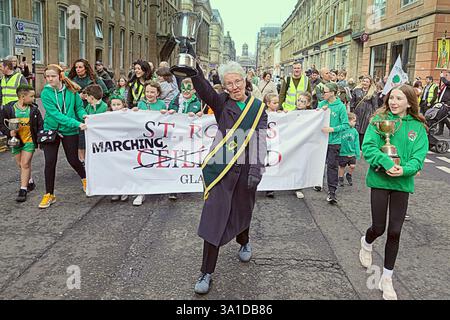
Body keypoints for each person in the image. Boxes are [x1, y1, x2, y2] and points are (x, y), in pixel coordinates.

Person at [190, 59, 267, 295]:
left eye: (237, 81)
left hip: (245, 170)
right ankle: (206, 271)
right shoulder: (222, 103)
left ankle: (243, 240)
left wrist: (256, 169)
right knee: (214, 218)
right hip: (221, 169)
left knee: (242, 211)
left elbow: (259, 139)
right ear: (223, 87)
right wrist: (194, 72)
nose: (234, 87)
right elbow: (204, 90)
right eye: (228, 84)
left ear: (245, 80)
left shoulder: (258, 108)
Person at [360, 84, 428, 300]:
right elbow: (368, 148)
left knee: (395, 231)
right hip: (380, 179)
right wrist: (387, 163)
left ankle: (387, 279)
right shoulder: (379, 121)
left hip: (402, 182)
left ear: (409, 102)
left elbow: (419, 156)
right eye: (391, 98)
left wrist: (405, 169)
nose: (394, 102)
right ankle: (366, 242)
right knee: (379, 228)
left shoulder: (417, 127)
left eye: (399, 98)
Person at [38, 64, 88, 209]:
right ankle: (49, 194)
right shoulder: (45, 93)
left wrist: (83, 115)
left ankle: (85, 179)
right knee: (50, 162)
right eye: (47, 76)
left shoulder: (71, 90)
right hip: (51, 129)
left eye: (52, 76)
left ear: (60, 76)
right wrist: (76, 123)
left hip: (69, 130)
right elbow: (55, 114)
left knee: (73, 159)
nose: (49, 79)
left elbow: (78, 107)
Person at [0, 85, 43, 202]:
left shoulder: (34, 110)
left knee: (25, 164)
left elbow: (40, 125)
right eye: (32, 96)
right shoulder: (8, 109)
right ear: (23, 97)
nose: (34, 98)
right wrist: (9, 132)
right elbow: (1, 124)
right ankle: (30, 181)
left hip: (29, 141)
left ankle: (23, 189)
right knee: (21, 164)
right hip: (17, 141)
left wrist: (40, 139)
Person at [317, 82, 350, 204]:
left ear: (332, 93)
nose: (322, 94)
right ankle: (317, 182)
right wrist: (320, 110)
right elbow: (314, 118)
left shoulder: (340, 106)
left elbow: (346, 125)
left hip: (334, 141)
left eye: (325, 92)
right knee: (319, 163)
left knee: (331, 165)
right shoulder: (322, 103)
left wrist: (332, 129)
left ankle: (332, 192)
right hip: (321, 140)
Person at [108, 95, 130, 203]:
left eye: (118, 104)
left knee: (124, 167)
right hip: (113, 146)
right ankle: (116, 190)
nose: (116, 107)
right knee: (114, 168)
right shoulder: (107, 116)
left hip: (124, 146)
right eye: (113, 105)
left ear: (123, 105)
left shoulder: (127, 114)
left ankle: (125, 189)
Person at [351, 75, 379, 147]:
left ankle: (362, 146)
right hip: (358, 112)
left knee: (364, 130)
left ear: (370, 83)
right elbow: (352, 102)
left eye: (367, 81)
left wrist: (374, 115)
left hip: (367, 113)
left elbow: (375, 105)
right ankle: (355, 145)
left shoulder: (373, 92)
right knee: (355, 128)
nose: (365, 83)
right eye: (364, 81)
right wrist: (351, 113)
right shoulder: (356, 90)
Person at [338, 112, 360, 187]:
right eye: (354, 121)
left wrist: (357, 153)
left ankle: (349, 175)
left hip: (352, 152)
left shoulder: (355, 131)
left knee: (352, 166)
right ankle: (340, 178)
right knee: (342, 167)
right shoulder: (342, 130)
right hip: (343, 153)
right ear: (348, 121)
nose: (355, 123)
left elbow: (357, 143)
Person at [436, 71, 450, 135]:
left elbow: (447, 82)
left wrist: (442, 77)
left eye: (447, 75)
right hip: (441, 102)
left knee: (442, 116)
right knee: (440, 116)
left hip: (447, 103)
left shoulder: (447, 83)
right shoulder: (444, 85)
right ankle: (440, 131)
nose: (446, 76)